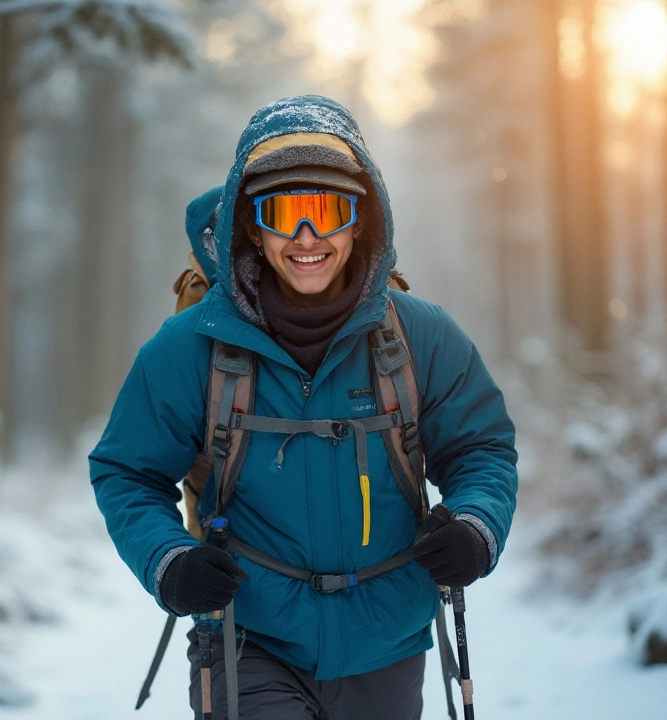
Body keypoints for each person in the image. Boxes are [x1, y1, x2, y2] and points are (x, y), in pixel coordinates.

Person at [90, 95, 518, 719]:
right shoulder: (190, 348)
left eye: (329, 211)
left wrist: (475, 525)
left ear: (361, 221)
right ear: (250, 227)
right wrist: (170, 560)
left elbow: (481, 449)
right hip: (244, 639)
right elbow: (127, 470)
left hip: (388, 644)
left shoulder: (420, 336)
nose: (306, 236)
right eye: (283, 213)